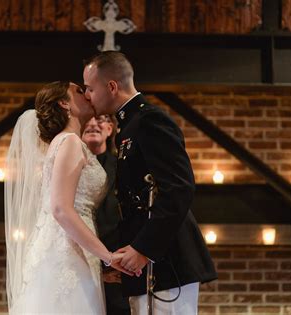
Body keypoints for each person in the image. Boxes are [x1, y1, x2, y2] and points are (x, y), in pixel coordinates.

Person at [83, 52, 218, 314]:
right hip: (145, 264)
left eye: (90, 88)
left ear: (111, 86)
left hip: (167, 263)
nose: (88, 95)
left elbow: (179, 188)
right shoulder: (129, 125)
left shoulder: (149, 121)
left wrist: (144, 249)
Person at [4, 81, 139, 314]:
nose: (87, 94)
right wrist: (107, 256)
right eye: (79, 91)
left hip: (74, 247)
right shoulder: (69, 142)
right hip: (65, 253)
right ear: (64, 104)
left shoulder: (67, 142)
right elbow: (61, 209)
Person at [82, 115, 131, 315]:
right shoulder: (68, 166)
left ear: (110, 129)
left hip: (116, 263)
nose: (93, 124)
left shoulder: (122, 166)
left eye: (101, 120)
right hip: (82, 259)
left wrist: (110, 262)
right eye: (88, 120)